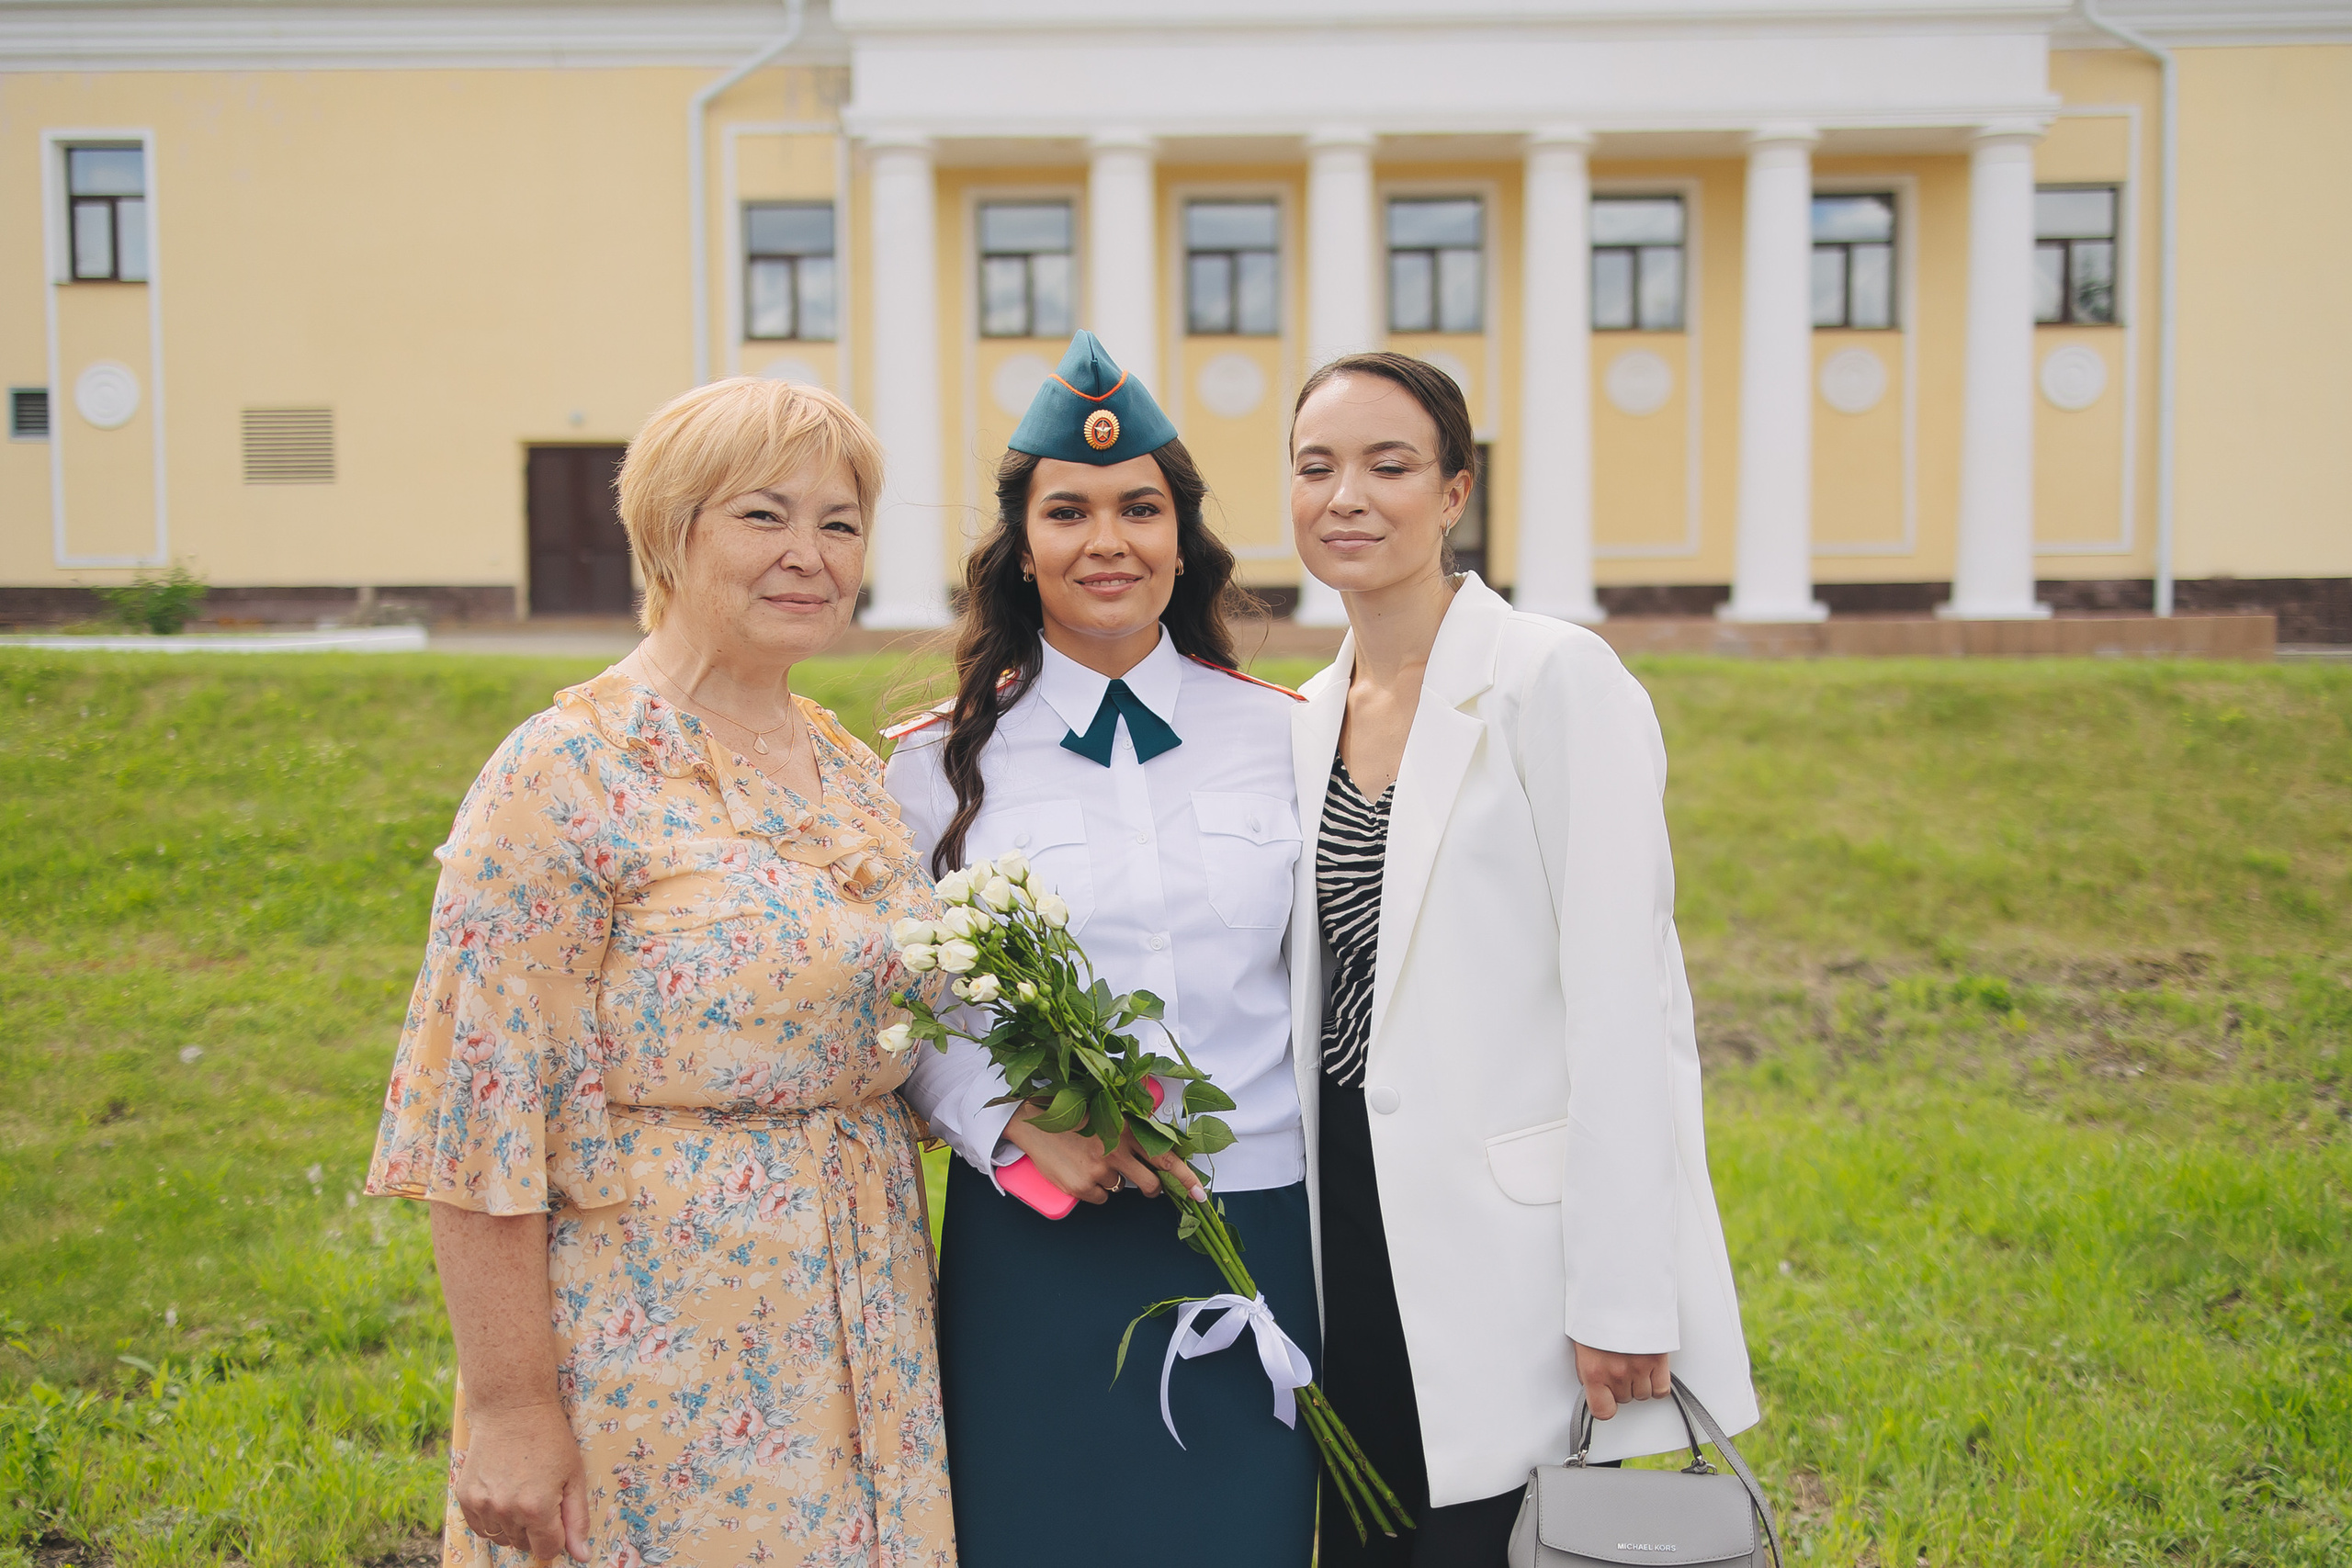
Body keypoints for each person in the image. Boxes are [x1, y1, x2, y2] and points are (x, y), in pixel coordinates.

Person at [365, 377, 954, 1568]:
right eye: (763, 516)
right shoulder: (563, 773)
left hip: (865, 1327)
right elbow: (483, 1116)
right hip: (655, 1340)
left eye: (839, 523)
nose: (809, 555)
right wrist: (513, 1409)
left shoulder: (847, 768)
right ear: (669, 532)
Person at [1285, 354, 1760, 1566]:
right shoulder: (1305, 713)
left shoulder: (1555, 679)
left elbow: (1626, 1002)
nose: (1347, 496)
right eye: (1316, 466)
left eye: (1389, 465)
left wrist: (1623, 1292)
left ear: (1455, 491)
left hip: (1509, 1245)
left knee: (1496, 1541)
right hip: (1346, 1215)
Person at [886, 332, 1319, 1568]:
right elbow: (904, 1003)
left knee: (1242, 1542)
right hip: (1040, 1230)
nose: (1106, 540)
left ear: (1183, 539)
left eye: (1140, 508)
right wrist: (1015, 1126)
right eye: (1067, 511)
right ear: (1022, 547)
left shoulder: (1290, 738)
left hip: (1257, 1218)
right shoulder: (930, 764)